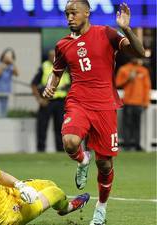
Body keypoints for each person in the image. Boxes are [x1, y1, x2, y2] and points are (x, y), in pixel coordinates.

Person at [42, 2, 145, 224]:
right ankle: (82, 159)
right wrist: (50, 85)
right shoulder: (63, 45)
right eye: (67, 14)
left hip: (105, 106)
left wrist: (126, 28)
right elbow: (56, 72)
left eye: (74, 13)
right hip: (78, 101)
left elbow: (139, 52)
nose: (69, 17)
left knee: (105, 164)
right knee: (70, 142)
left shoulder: (106, 33)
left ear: (87, 13)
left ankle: (101, 207)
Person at [31, 50, 70, 152]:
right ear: (48, 57)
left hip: (61, 102)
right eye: (51, 56)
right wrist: (39, 99)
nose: (53, 58)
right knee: (42, 126)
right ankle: (41, 150)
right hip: (47, 101)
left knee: (61, 128)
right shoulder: (44, 67)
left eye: (55, 56)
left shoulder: (65, 67)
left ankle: (61, 151)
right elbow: (34, 84)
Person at [116, 57, 151, 151]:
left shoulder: (143, 70)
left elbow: (147, 87)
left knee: (137, 125)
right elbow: (117, 83)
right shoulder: (124, 69)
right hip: (128, 101)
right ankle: (127, 145)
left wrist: (146, 101)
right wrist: (128, 79)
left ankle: (137, 145)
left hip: (139, 102)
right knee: (127, 124)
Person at [0, 48, 19, 118]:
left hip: (5, 94)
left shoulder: (11, 66)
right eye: (7, 56)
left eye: (10, 56)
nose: (8, 58)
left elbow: (17, 73)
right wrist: (3, 66)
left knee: (3, 115)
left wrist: (12, 63)